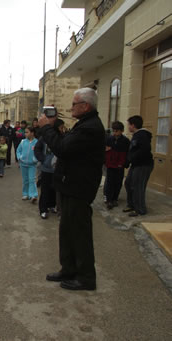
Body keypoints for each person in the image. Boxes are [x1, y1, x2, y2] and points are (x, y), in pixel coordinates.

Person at [39, 87, 105, 291]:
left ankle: (86, 277)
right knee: (67, 231)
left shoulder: (90, 128)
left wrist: (47, 128)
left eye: (74, 103)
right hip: (70, 186)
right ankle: (68, 268)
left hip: (79, 188)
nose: (70, 107)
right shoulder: (83, 124)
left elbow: (63, 148)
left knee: (79, 233)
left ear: (85, 106)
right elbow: (66, 144)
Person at [123, 115, 154, 217]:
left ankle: (140, 209)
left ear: (133, 125)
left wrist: (132, 158)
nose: (128, 127)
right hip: (136, 164)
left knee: (138, 186)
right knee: (128, 183)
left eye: (129, 125)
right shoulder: (136, 135)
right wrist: (127, 161)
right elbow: (133, 149)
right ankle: (131, 204)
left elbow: (145, 149)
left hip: (143, 165)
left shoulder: (142, 135)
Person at [34, 120, 64, 219]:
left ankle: (52, 205)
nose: (62, 129)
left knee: (54, 189)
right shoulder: (44, 138)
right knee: (45, 189)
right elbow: (37, 149)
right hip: (46, 168)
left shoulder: (62, 137)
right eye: (61, 127)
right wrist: (43, 159)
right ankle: (43, 209)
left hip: (57, 169)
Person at [105, 121, 130, 210]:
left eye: (117, 131)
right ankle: (109, 199)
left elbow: (127, 154)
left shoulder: (126, 141)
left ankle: (115, 198)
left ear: (122, 131)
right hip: (111, 165)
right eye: (114, 131)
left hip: (120, 165)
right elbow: (106, 151)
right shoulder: (109, 139)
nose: (115, 133)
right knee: (109, 182)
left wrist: (125, 164)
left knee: (118, 182)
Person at [16, 127, 38, 202]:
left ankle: (33, 195)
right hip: (23, 164)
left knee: (32, 179)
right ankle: (25, 194)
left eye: (27, 132)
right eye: (25, 132)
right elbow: (18, 150)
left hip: (32, 165)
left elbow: (39, 153)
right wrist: (20, 157)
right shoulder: (23, 141)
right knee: (25, 180)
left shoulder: (37, 142)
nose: (25, 134)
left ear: (32, 133)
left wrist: (35, 159)